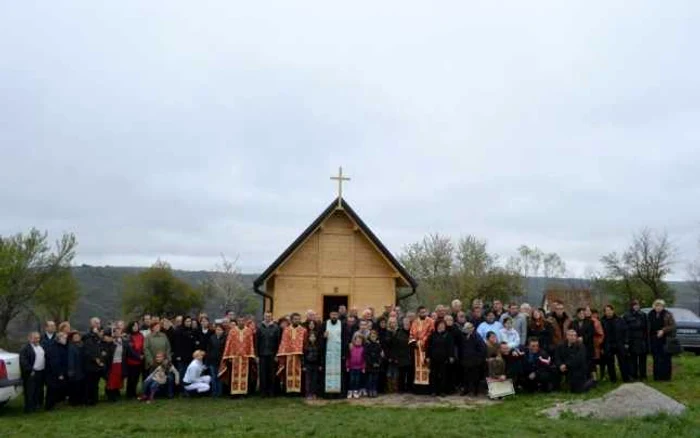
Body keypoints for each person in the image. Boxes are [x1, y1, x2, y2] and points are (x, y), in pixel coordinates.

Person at [219, 316, 256, 396]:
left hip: (245, 358)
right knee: (233, 375)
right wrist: (228, 355)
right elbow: (229, 344)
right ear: (237, 322)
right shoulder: (232, 331)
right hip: (234, 357)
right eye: (239, 321)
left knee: (246, 375)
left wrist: (251, 355)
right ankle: (234, 393)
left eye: (242, 321)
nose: (241, 322)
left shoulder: (248, 331)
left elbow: (251, 344)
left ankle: (244, 393)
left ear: (244, 322)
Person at [276, 313, 307, 394]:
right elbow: (283, 342)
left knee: (299, 372)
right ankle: (288, 391)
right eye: (295, 319)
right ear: (292, 320)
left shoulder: (303, 330)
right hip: (288, 355)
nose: (297, 320)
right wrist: (282, 353)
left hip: (299, 356)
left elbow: (305, 343)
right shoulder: (286, 330)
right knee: (287, 372)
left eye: (298, 319)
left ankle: (298, 391)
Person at [648, 299, 676, 381]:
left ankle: (666, 377)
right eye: (656, 305)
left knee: (666, 359)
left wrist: (663, 330)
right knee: (656, 358)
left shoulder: (668, 314)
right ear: (654, 306)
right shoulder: (650, 314)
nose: (658, 307)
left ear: (663, 306)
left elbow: (673, 326)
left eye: (660, 306)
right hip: (654, 339)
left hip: (665, 340)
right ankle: (657, 377)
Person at [555, 329, 590, 393]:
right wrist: (560, 365)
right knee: (554, 370)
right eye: (571, 335)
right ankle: (556, 387)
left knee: (577, 390)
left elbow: (578, 360)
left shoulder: (580, 346)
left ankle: (590, 382)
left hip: (576, 368)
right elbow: (557, 358)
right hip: (564, 367)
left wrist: (566, 365)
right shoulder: (561, 345)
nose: (573, 337)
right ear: (567, 336)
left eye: (574, 335)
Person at [601, 304, 629, 383]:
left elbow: (625, 331)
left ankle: (625, 378)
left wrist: (626, 342)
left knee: (623, 362)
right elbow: (600, 335)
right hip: (608, 344)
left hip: (619, 343)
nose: (608, 312)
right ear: (604, 312)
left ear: (613, 311)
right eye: (606, 311)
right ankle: (613, 379)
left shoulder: (620, 319)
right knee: (610, 363)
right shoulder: (602, 321)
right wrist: (602, 347)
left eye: (610, 310)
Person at [409, 306, 435, 391]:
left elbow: (431, 333)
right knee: (416, 369)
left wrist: (424, 341)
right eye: (421, 312)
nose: (423, 313)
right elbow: (411, 334)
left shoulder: (431, 321)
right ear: (418, 313)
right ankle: (418, 389)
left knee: (427, 368)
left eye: (424, 312)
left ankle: (427, 389)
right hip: (417, 349)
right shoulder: (414, 322)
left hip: (427, 347)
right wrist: (415, 343)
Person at [20, 332, 46, 413]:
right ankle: (29, 408)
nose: (37, 339)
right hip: (31, 372)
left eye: (38, 338)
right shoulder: (25, 348)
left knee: (39, 390)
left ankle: (37, 405)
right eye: (35, 338)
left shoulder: (40, 346)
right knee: (30, 391)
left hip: (41, 371)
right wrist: (30, 370)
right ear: (29, 338)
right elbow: (23, 361)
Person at [427, 320, 455, 396]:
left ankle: (442, 391)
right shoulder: (432, 335)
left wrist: (451, 356)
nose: (442, 326)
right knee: (433, 375)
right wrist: (428, 356)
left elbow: (451, 347)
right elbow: (429, 346)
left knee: (443, 375)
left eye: (443, 325)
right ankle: (433, 391)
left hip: (444, 358)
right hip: (434, 358)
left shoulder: (448, 335)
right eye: (440, 325)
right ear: (437, 326)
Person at [322, 309, 346, 397]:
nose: (334, 316)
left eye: (336, 314)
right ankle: (328, 394)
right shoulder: (325, 324)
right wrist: (323, 337)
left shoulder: (342, 324)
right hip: (328, 353)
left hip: (339, 354)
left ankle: (339, 394)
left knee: (339, 374)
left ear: (338, 315)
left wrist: (344, 353)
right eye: (332, 314)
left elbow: (345, 339)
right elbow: (320, 339)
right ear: (329, 315)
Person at [623, 299, 649, 380]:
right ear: (631, 306)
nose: (636, 306)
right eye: (634, 305)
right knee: (632, 359)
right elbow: (625, 329)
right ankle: (633, 375)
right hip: (632, 340)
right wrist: (626, 341)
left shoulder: (643, 315)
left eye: (637, 305)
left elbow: (646, 328)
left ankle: (643, 375)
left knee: (642, 359)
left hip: (641, 340)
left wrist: (646, 340)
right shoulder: (626, 315)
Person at [458, 322, 486, 396]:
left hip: (475, 360)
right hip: (465, 360)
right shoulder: (463, 336)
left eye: (469, 328)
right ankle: (466, 389)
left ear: (473, 328)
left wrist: (478, 359)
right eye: (466, 328)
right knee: (465, 376)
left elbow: (482, 349)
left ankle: (475, 391)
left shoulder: (477, 336)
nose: (467, 329)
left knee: (475, 376)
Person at [257, 312, 281, 397]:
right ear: (264, 317)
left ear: (272, 317)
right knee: (262, 374)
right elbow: (257, 342)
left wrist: (277, 355)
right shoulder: (259, 327)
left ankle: (271, 391)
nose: (268, 317)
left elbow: (278, 342)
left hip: (272, 354)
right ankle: (263, 392)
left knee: (271, 374)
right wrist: (257, 355)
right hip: (262, 354)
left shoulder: (276, 327)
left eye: (269, 316)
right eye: (266, 316)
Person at [44, 332, 69, 410]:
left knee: (57, 389)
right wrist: (59, 373)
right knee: (52, 389)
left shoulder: (62, 346)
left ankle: (55, 403)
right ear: (58, 339)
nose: (66, 340)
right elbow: (55, 362)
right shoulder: (54, 348)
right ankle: (49, 406)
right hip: (53, 373)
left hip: (59, 372)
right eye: (64, 338)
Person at [82, 320, 104, 406]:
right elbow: (87, 350)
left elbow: (100, 347)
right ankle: (88, 400)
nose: (98, 324)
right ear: (91, 324)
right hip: (89, 363)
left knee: (96, 383)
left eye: (99, 323)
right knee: (89, 383)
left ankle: (95, 399)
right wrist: (94, 359)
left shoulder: (99, 335)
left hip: (98, 363)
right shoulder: (87, 335)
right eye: (96, 323)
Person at [103, 328, 126, 402]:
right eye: (116, 332)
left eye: (119, 332)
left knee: (117, 380)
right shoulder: (110, 342)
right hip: (112, 364)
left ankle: (115, 395)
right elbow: (107, 353)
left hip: (119, 363)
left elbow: (128, 351)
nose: (118, 333)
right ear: (114, 334)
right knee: (111, 380)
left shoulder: (123, 342)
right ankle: (110, 397)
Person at [572, 307, 595, 379]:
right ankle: (582, 378)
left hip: (588, 346)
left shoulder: (590, 322)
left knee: (590, 363)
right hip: (577, 346)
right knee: (580, 362)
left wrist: (583, 338)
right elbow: (571, 332)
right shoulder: (573, 323)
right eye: (580, 313)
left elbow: (591, 333)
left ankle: (592, 379)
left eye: (583, 313)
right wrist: (576, 338)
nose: (581, 315)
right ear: (577, 314)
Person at [205, 323, 226, 397]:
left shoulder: (225, 338)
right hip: (212, 361)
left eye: (220, 330)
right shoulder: (212, 338)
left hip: (221, 361)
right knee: (213, 377)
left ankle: (220, 393)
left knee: (219, 377)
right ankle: (214, 392)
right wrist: (207, 361)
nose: (218, 331)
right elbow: (208, 350)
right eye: (217, 329)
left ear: (223, 331)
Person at [125, 321, 145, 399]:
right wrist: (138, 356)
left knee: (136, 378)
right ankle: (129, 394)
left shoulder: (141, 335)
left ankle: (134, 393)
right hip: (132, 361)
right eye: (134, 326)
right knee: (131, 379)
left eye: (137, 325)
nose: (135, 327)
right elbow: (130, 350)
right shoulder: (129, 336)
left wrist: (142, 355)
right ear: (131, 327)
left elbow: (143, 345)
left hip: (140, 361)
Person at [302, 331, 323, 400]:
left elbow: (320, 356)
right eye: (311, 337)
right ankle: (308, 394)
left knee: (315, 380)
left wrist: (320, 365)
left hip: (316, 365)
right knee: (308, 380)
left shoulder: (318, 346)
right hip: (308, 365)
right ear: (309, 338)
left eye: (314, 337)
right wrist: (304, 365)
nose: (312, 338)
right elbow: (304, 357)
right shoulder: (306, 346)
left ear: (316, 338)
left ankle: (314, 393)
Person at [66, 331, 85, 406]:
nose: (77, 338)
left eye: (78, 336)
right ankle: (74, 401)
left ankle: (80, 400)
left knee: (81, 385)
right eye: (75, 337)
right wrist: (71, 370)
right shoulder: (71, 346)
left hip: (82, 368)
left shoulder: (82, 345)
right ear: (72, 338)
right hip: (75, 368)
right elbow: (70, 359)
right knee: (74, 386)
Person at [364, 330, 383, 398]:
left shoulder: (378, 345)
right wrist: (372, 363)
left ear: (376, 337)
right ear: (369, 337)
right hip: (370, 365)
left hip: (377, 366)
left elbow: (381, 355)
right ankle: (369, 390)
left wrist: (378, 363)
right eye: (372, 336)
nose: (373, 337)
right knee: (370, 379)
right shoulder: (367, 345)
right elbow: (366, 355)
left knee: (375, 379)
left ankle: (374, 390)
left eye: (374, 336)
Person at [346, 333, 365, 398]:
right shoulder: (351, 348)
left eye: (360, 341)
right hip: (351, 367)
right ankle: (350, 391)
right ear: (354, 341)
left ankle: (356, 391)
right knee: (351, 380)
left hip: (359, 367)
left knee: (357, 380)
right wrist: (347, 366)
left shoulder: (362, 349)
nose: (358, 342)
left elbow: (363, 359)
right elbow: (348, 358)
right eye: (357, 340)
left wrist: (363, 367)